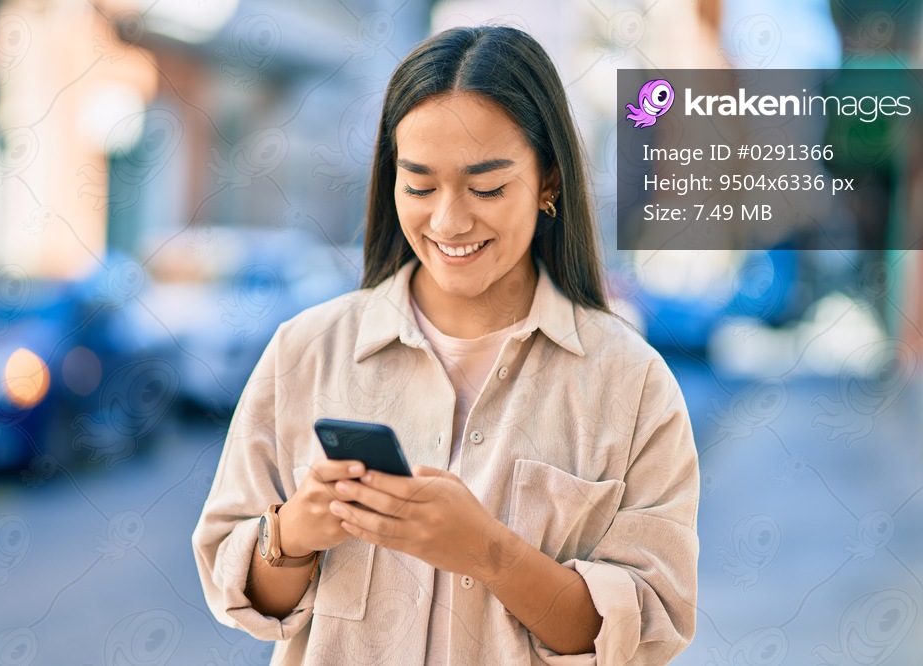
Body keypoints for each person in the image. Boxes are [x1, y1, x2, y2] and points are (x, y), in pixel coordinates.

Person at [193, 25, 699, 666]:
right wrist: (292, 534)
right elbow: (242, 594)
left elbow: (644, 633)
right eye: (420, 185)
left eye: (486, 188)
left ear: (549, 182)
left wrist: (489, 551)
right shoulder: (305, 352)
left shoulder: (632, 386)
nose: (449, 221)